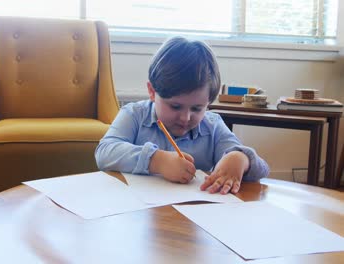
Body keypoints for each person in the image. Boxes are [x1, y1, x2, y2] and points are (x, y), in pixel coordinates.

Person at [95, 36, 269, 195]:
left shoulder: (213, 126)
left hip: (194, 217)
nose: (186, 118)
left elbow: (263, 170)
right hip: (139, 213)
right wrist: (156, 161)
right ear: (152, 91)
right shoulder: (134, 115)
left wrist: (240, 158)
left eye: (197, 108)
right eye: (176, 106)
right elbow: (104, 153)